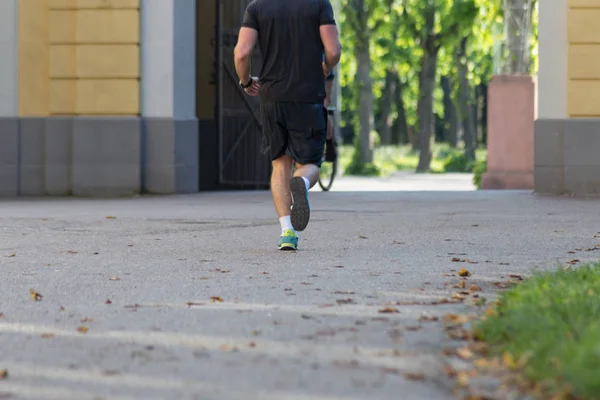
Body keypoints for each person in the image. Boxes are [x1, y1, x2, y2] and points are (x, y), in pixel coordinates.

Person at [234, 0, 342, 251]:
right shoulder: (318, 5)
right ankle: (302, 184)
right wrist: (324, 69)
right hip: (307, 97)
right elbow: (334, 51)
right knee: (310, 164)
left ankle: (287, 233)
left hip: (272, 98)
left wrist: (246, 82)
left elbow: (241, 53)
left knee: (279, 163)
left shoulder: (257, 7)